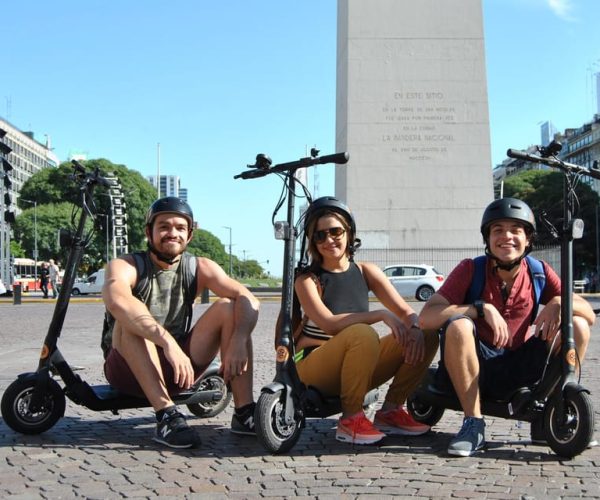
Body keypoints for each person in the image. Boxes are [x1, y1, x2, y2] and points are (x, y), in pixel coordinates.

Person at [419, 197, 595, 457]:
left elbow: (589, 313)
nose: (507, 237)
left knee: (577, 324)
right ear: (487, 238)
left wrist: (558, 301)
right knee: (458, 326)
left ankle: (548, 414)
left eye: (516, 230)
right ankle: (473, 424)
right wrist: (479, 309)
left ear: (528, 239)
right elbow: (426, 317)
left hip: (522, 365)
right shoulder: (470, 269)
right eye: (498, 230)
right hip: (477, 364)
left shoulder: (539, 272)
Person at [102, 197, 260, 449]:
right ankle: (167, 415)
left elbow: (248, 298)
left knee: (230, 307)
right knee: (130, 320)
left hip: (178, 370)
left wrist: (240, 339)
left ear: (189, 235)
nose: (172, 233)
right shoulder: (126, 265)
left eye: (180, 228)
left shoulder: (199, 267)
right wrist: (167, 343)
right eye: (163, 226)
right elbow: (116, 300)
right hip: (127, 368)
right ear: (148, 232)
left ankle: (244, 412)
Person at [293, 196, 439, 445]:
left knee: (426, 333)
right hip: (312, 366)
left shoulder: (366, 271)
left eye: (335, 231)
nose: (329, 240)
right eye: (320, 236)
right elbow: (329, 323)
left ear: (349, 232)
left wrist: (413, 325)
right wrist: (380, 314)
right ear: (312, 242)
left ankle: (391, 411)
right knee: (362, 332)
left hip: (357, 364)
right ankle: (351, 419)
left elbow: (405, 311)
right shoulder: (307, 280)